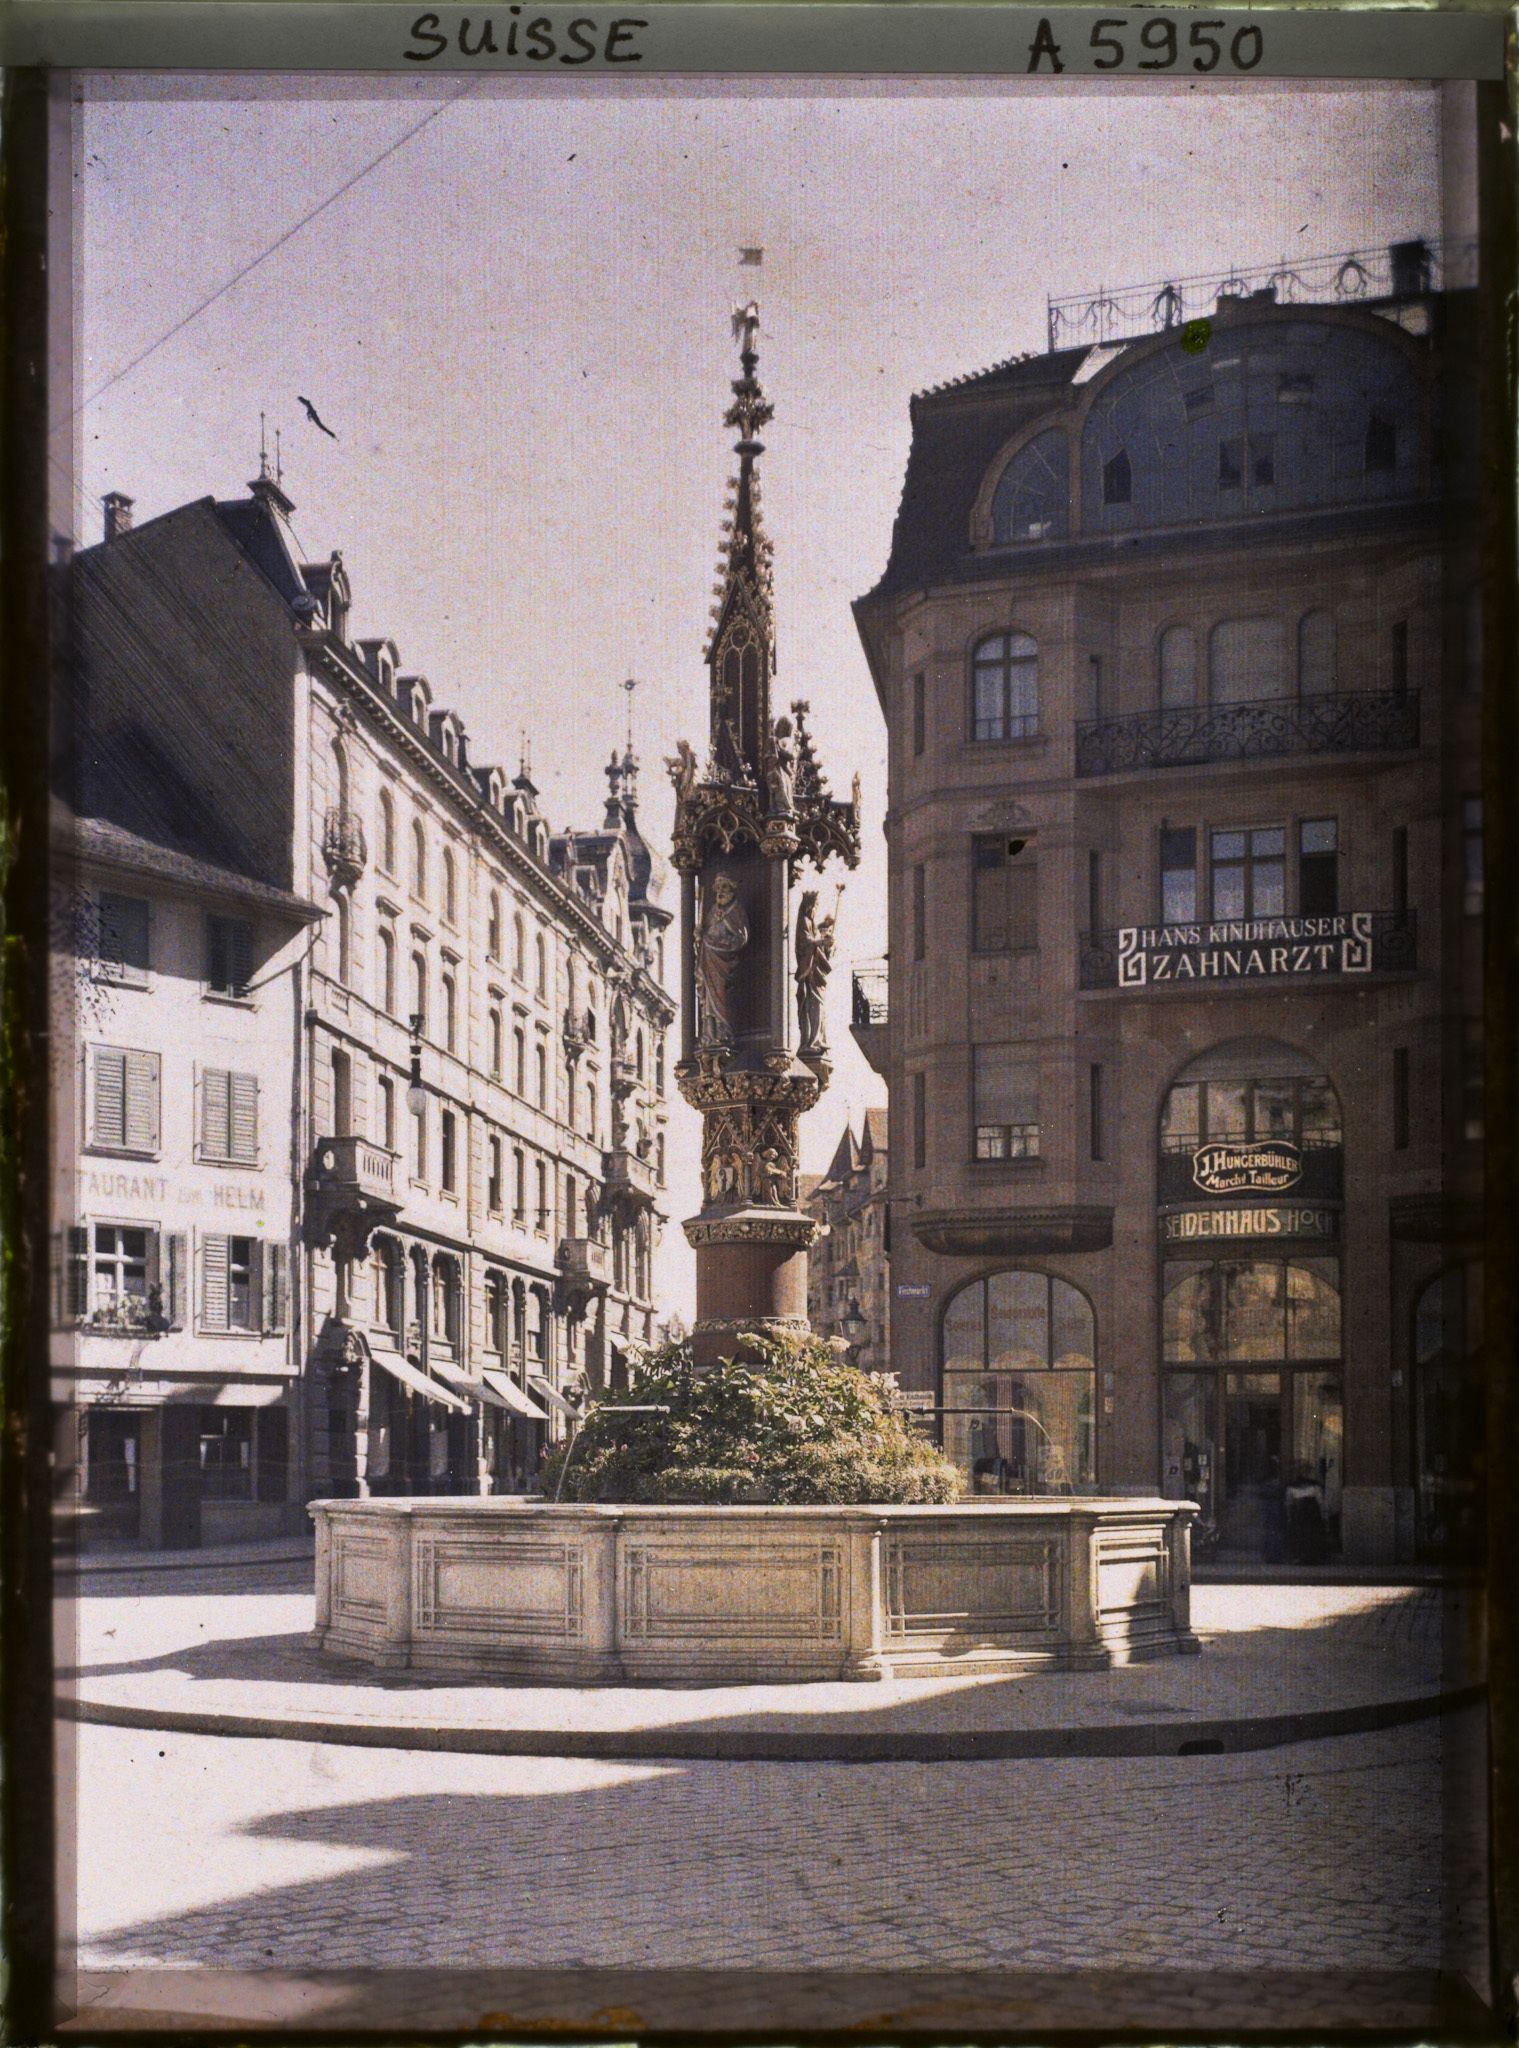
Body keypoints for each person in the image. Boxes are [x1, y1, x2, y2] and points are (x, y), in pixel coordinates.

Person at [696, 875, 748, 1046]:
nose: (720, 891)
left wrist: (725, 921)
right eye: (718, 888)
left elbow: (741, 937)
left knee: (722, 995)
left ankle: (723, 1032)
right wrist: (699, 936)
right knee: (708, 999)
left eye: (724, 887)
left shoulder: (736, 909)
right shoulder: (712, 910)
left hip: (725, 962)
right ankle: (710, 1034)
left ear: (732, 889)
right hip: (708, 960)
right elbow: (707, 933)